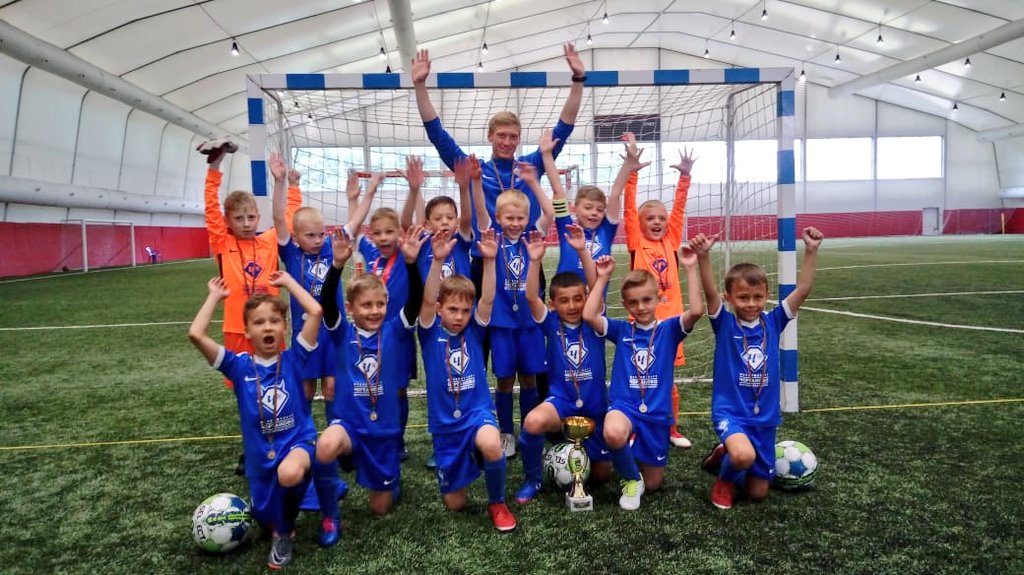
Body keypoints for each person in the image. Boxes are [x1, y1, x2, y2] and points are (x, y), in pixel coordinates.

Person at [271, 161, 375, 547]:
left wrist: (364, 194)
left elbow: (356, 222)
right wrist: (280, 182)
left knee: (333, 389)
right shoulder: (291, 254)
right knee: (304, 392)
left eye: (320, 233)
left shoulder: (333, 248)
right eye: (309, 235)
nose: (317, 240)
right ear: (296, 236)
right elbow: (278, 219)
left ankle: (336, 448)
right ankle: (298, 444)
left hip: (333, 335)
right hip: (306, 338)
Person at [187, 271, 321, 570]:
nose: (268, 327)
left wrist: (288, 283)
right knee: (263, 518)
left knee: (290, 474)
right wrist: (214, 297)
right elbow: (196, 334)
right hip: (260, 457)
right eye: (259, 323)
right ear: (247, 332)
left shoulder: (294, 358)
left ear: (284, 327)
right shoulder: (238, 366)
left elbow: (315, 311)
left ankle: (284, 535)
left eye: (274, 321)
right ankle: (275, 511)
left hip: (298, 443)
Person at [692, 227, 824, 511]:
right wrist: (703, 256)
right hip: (731, 413)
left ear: (766, 295)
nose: (751, 303)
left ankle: (724, 454)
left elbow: (802, 291)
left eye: (757, 296)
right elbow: (710, 292)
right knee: (743, 456)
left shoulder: (773, 322)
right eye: (743, 297)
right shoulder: (724, 324)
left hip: (765, 418)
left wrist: (811, 250)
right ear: (729, 298)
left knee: (758, 493)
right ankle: (724, 481)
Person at [198, 138, 300, 476]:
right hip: (237, 330)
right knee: (247, 393)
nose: (246, 222)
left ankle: (283, 440)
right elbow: (210, 208)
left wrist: (289, 185)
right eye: (239, 217)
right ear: (228, 221)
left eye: (251, 216)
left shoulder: (268, 240)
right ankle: (253, 446)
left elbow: (287, 217)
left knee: (277, 386)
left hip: (270, 327)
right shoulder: (221, 242)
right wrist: (214, 168)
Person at [314, 225, 426, 521]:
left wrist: (411, 264)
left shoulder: (395, 331)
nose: (374, 311)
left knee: (380, 509)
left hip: (383, 431)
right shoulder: (342, 333)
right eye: (366, 305)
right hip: (350, 425)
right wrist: (337, 266)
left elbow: (415, 301)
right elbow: (327, 303)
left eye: (380, 304)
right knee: (325, 445)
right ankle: (329, 515)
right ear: (350, 308)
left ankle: (390, 481)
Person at [582, 252, 704, 510]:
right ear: (625, 305)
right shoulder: (621, 330)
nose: (641, 307)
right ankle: (630, 478)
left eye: (647, 300)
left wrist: (691, 268)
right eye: (633, 302)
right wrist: (602, 278)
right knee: (613, 432)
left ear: (658, 298)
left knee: (654, 485)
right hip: (624, 406)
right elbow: (589, 316)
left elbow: (696, 311)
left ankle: (636, 453)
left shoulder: (669, 330)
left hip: (657, 413)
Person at [417, 228, 517, 532]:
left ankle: (498, 502)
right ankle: (470, 456)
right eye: (452, 309)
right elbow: (427, 298)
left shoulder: (474, 330)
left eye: (464, 310)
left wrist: (490, 261)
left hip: (476, 413)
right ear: (439, 309)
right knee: (455, 504)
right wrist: (437, 261)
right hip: (445, 425)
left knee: (492, 444)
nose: (459, 316)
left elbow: (487, 298)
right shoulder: (429, 332)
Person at [514, 226, 612, 504]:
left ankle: (577, 453)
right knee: (533, 421)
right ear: (553, 304)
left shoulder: (594, 321)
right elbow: (531, 297)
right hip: (562, 402)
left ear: (587, 299)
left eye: (578, 299)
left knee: (602, 476)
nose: (572, 306)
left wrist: (582, 251)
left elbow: (595, 284)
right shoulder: (550, 323)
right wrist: (534, 261)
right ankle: (532, 480)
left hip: (595, 407)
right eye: (564, 301)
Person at [618, 132, 696, 449]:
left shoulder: (671, 240)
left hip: (670, 324)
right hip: (641, 323)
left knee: (668, 380)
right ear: (639, 223)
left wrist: (685, 178)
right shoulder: (636, 241)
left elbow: (678, 210)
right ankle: (635, 427)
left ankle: (671, 428)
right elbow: (628, 207)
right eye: (650, 218)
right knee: (640, 378)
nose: (657, 221)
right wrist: (632, 173)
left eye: (661, 218)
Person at [346, 173, 424, 460]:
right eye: (377, 233)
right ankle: (372, 433)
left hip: (398, 335)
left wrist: (414, 190)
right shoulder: (371, 253)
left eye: (389, 232)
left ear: (399, 234)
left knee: (398, 390)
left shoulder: (406, 254)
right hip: (369, 336)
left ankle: (397, 439)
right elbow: (353, 231)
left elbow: (415, 223)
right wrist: (355, 198)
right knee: (371, 387)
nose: (382, 238)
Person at [481, 163, 554, 458]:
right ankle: (506, 433)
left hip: (529, 323)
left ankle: (528, 430)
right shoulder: (492, 240)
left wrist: (534, 183)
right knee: (504, 380)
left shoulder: (532, 237)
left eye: (520, 217)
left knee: (529, 378)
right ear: (498, 217)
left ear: (527, 217)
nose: (515, 223)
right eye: (509, 218)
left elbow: (550, 213)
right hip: (502, 323)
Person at [539, 128, 621, 283]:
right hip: (565, 295)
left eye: (599, 209)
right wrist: (547, 155)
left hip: (596, 297)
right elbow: (558, 189)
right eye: (588, 207)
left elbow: (616, 193)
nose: (594, 212)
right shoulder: (567, 228)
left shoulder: (606, 231)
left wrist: (628, 164)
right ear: (575, 209)